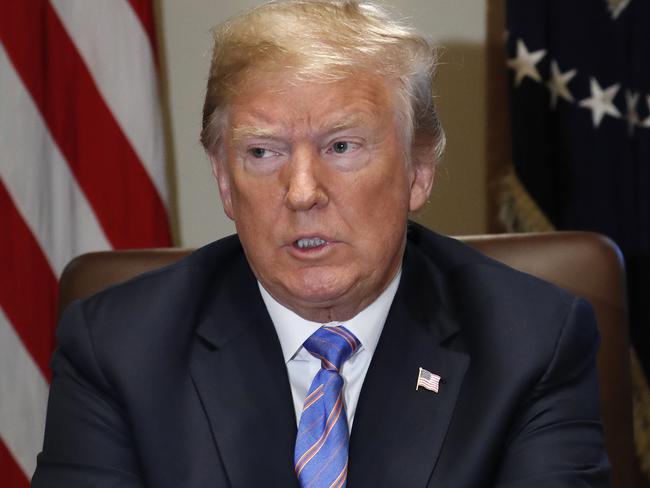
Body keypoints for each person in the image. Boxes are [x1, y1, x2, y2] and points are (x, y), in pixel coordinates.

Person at [32, 1, 609, 486]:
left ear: (419, 171)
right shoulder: (119, 348)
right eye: (263, 152)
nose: (302, 192)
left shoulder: (531, 343)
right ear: (223, 179)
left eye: (342, 146)